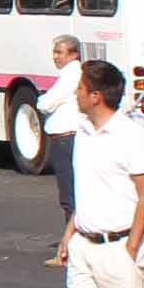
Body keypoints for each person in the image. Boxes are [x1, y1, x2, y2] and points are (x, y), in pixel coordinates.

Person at [62, 59, 144, 288]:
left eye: (80, 88)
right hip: (83, 245)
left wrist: (130, 247)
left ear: (96, 97)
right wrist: (70, 234)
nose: (76, 93)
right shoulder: (82, 131)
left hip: (118, 247)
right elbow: (89, 189)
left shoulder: (130, 136)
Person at [38, 34, 86, 261]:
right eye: (55, 51)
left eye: (60, 52)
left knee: (69, 195)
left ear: (73, 54)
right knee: (70, 194)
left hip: (67, 138)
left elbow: (46, 103)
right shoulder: (72, 73)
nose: (55, 56)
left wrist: (42, 101)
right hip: (66, 137)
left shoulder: (71, 74)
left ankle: (70, 249)